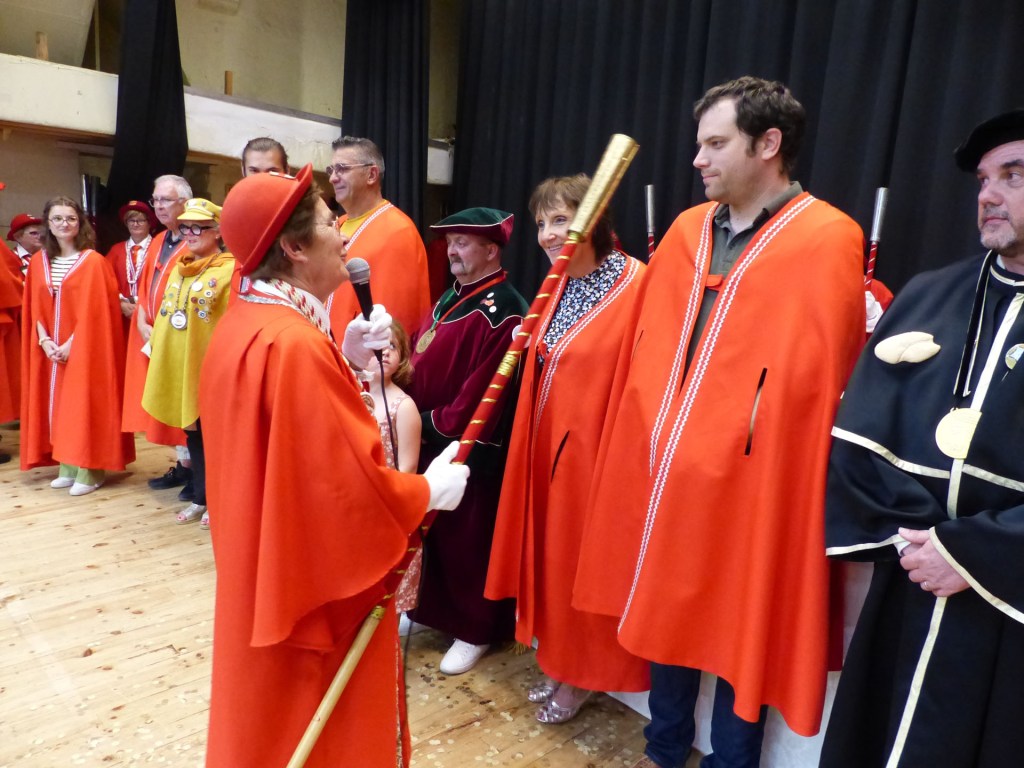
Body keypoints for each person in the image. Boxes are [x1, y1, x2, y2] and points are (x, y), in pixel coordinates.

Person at [572, 77, 866, 768]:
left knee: (743, 622)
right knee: (664, 607)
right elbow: (649, 348)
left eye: (715, 143)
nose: (697, 159)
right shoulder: (685, 230)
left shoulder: (827, 238)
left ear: (768, 144)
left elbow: (821, 379)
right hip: (666, 470)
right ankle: (663, 748)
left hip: (753, 479)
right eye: (699, 144)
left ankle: (733, 763)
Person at [200, 165, 469, 768]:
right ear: (294, 249)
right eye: (329, 223)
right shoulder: (294, 344)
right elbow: (342, 490)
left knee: (265, 718)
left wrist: (340, 360)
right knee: (317, 725)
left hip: (258, 566)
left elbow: (283, 445)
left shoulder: (248, 323)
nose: (344, 235)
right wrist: (425, 491)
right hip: (309, 587)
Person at [821, 109, 1024, 768]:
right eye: (984, 181)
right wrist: (923, 544)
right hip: (912, 585)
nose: (988, 195)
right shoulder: (930, 295)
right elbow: (858, 436)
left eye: (1013, 176)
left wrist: (972, 553)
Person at [485, 174, 649, 723]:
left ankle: (583, 673)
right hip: (546, 451)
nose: (549, 234)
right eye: (542, 223)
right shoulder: (555, 285)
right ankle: (558, 660)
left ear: (595, 217)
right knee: (551, 562)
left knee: (584, 566)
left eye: (562, 219)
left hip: (597, 458)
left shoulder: (637, 284)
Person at [406, 206, 528, 675]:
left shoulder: (506, 310)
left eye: (462, 243)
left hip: (466, 445)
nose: (452, 251)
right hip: (427, 435)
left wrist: (432, 424)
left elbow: (484, 390)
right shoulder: (452, 297)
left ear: (491, 250)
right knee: (432, 534)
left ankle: (474, 629)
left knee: (466, 542)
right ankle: (430, 612)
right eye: (450, 242)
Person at [20, 196, 134, 493]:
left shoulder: (93, 262)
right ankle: (68, 463)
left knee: (83, 405)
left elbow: (98, 311)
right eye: (57, 218)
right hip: (49, 349)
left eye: (71, 218)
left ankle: (91, 468)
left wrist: (73, 343)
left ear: (80, 223)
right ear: (48, 224)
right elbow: (34, 307)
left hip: (85, 348)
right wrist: (45, 341)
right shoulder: (39, 262)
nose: (64, 224)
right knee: (57, 406)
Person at [142, 199, 233, 529]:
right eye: (185, 228)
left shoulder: (229, 270)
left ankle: (219, 501)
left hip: (210, 369)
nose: (190, 234)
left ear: (217, 231)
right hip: (182, 367)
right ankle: (201, 496)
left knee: (215, 437)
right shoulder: (180, 268)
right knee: (193, 435)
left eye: (198, 227)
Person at [123, 175, 192, 494]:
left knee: (184, 404)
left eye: (166, 200)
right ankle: (184, 465)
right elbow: (144, 289)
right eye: (156, 200)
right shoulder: (159, 239)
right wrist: (140, 322)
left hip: (180, 335)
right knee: (167, 404)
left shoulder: (197, 240)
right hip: (151, 333)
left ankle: (195, 472)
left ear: (185, 202)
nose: (159, 206)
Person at [325, 136, 430, 335]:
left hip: (363, 351)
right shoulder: (336, 225)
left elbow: (397, 318)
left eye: (342, 169)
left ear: (371, 175)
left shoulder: (398, 231)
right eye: (331, 170)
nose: (332, 178)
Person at [369, 321, 425, 619]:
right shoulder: (350, 396)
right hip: (356, 506)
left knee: (384, 592)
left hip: (387, 510)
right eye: (379, 346)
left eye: (393, 346)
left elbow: (407, 470)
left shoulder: (403, 407)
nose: (386, 352)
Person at [105, 200, 156, 339]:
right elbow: (106, 281)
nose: (135, 224)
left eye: (140, 220)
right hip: (122, 314)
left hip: (149, 315)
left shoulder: (158, 248)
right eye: (131, 220)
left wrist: (142, 307)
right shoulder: (116, 250)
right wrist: (120, 303)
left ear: (149, 223)